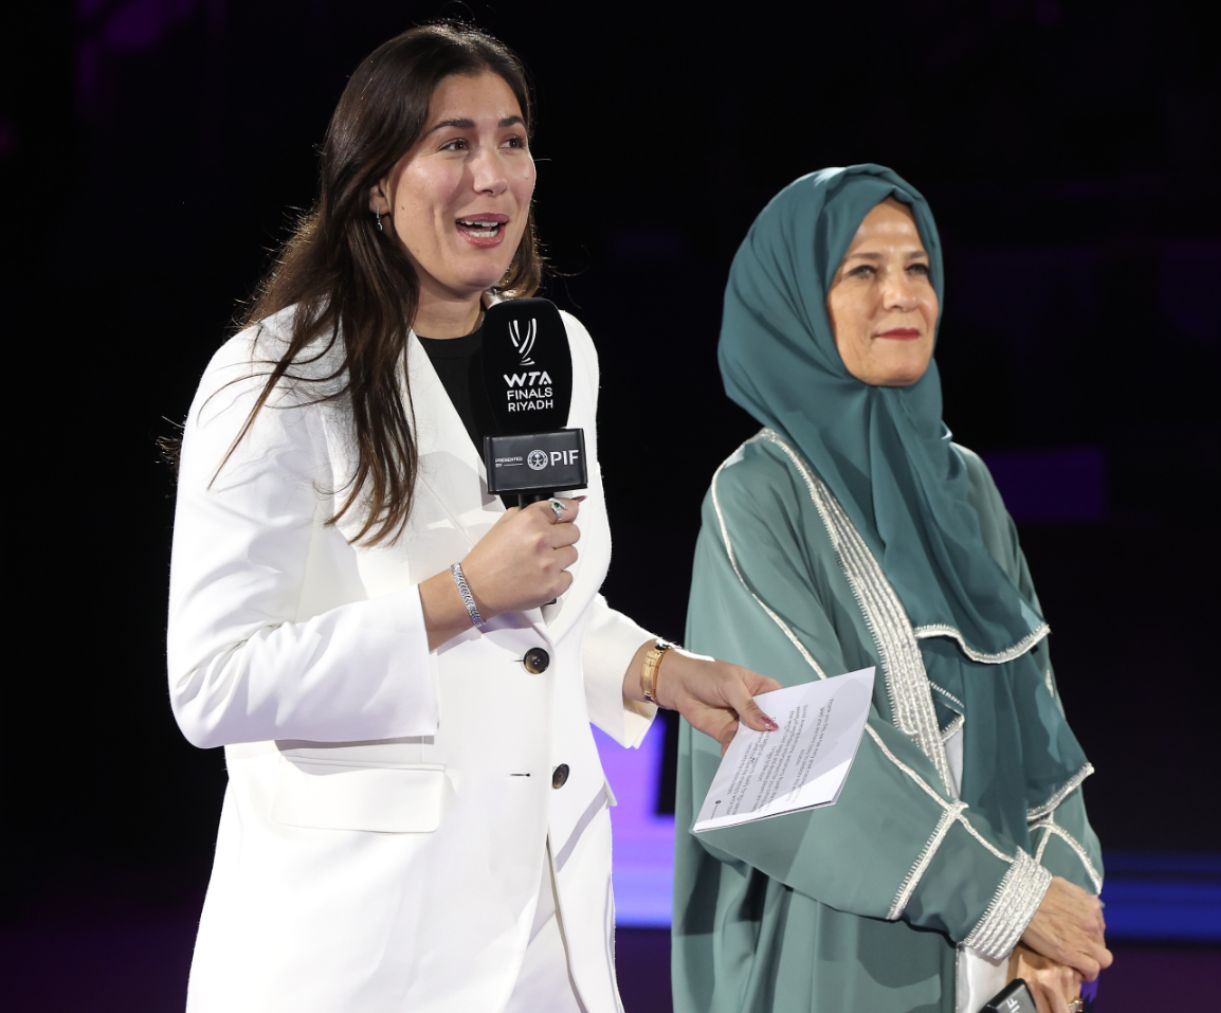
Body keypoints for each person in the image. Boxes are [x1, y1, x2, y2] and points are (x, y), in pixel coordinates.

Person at [165, 23, 778, 1012]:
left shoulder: (553, 350)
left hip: (541, 923)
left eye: (513, 139)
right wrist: (454, 595)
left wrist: (659, 670)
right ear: (373, 181)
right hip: (362, 945)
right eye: (453, 143)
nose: (491, 173)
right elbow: (212, 682)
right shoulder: (277, 377)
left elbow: (541, 608)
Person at [670, 165, 1110, 1013]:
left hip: (1003, 972)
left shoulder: (967, 487)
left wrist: (1054, 917)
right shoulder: (759, 492)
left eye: (918, 267)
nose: (902, 294)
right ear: (794, 302)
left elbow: (1041, 730)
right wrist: (1009, 901)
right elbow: (790, 745)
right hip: (841, 953)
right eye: (862, 270)